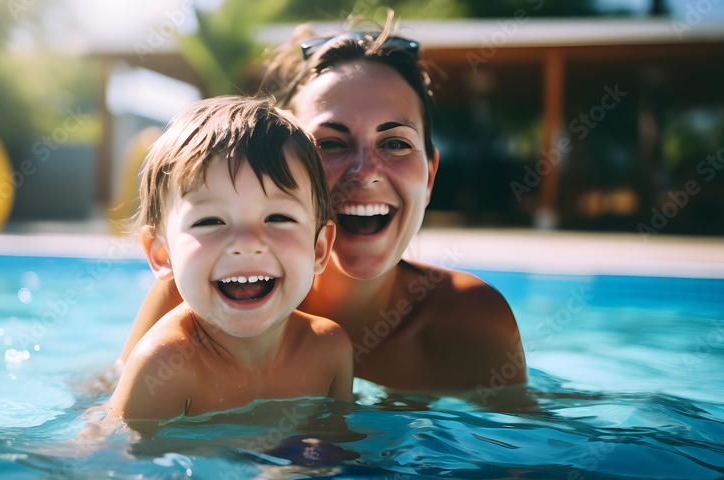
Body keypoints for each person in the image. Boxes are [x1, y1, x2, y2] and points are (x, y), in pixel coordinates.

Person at [112, 15, 526, 398]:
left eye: (396, 143)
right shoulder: (201, 291)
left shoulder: (472, 324)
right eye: (329, 143)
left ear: (431, 175)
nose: (365, 172)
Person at [102, 95, 353, 423]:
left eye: (278, 217)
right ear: (162, 254)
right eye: (210, 222)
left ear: (319, 250)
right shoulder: (164, 368)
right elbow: (120, 465)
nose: (247, 244)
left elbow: (337, 449)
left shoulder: (329, 351)